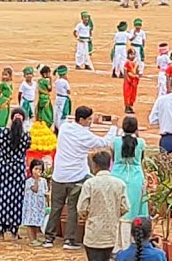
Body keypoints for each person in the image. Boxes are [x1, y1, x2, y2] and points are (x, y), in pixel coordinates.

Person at [45, 107, 118, 250]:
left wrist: (91, 122)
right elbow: (105, 142)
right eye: (89, 119)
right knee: (73, 208)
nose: (90, 122)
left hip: (59, 175)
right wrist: (113, 126)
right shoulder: (86, 136)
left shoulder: (65, 128)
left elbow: (67, 122)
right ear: (82, 120)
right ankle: (69, 240)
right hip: (76, 177)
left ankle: (49, 238)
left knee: (56, 208)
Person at [78, 149, 129, 261]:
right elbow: (125, 207)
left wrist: (86, 216)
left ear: (95, 165)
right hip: (111, 234)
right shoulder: (119, 184)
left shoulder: (90, 184)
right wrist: (114, 214)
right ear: (109, 164)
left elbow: (82, 208)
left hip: (93, 234)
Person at [0, 108, 31, 240]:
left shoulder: (1, 132)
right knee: (16, 199)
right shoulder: (26, 136)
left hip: (1, 170)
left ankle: (0, 231)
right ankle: (14, 231)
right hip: (18, 171)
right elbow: (26, 148)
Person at [111, 116, 147, 244]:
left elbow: (113, 157)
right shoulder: (141, 142)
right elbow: (141, 159)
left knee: (115, 208)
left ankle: (115, 244)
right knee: (133, 209)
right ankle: (130, 242)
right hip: (136, 176)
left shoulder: (115, 141)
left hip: (117, 175)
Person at [22, 158, 49, 245]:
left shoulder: (44, 181)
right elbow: (35, 189)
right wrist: (36, 180)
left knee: (36, 222)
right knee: (30, 222)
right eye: (36, 169)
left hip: (39, 205)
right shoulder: (29, 181)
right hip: (31, 205)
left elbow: (45, 193)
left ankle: (35, 238)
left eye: (40, 169)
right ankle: (32, 239)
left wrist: (47, 204)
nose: (38, 171)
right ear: (31, 169)